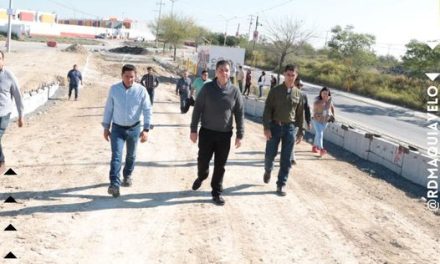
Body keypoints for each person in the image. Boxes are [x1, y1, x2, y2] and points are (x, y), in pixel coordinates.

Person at [190, 60, 244, 206]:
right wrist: (193, 129)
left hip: (225, 135)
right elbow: (197, 109)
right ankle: (202, 176)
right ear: (216, 71)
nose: (224, 73)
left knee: (220, 165)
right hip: (207, 132)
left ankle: (216, 192)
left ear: (230, 72)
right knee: (203, 161)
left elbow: (239, 113)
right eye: (221, 70)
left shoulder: (235, 91)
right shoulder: (207, 88)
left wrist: (240, 134)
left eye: (226, 70)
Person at [102, 64, 152, 198]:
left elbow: (147, 110)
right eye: (126, 76)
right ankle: (114, 184)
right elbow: (108, 109)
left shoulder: (141, 91)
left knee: (131, 155)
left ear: (136, 77)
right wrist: (106, 127)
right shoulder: (114, 89)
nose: (129, 79)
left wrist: (146, 129)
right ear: (121, 76)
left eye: (132, 77)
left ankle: (128, 175)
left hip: (134, 128)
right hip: (117, 128)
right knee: (116, 156)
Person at [262, 64, 304, 196]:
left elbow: (300, 113)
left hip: (290, 129)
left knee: (286, 159)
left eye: (293, 75)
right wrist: (266, 127)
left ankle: (281, 184)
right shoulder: (275, 91)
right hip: (275, 126)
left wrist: (300, 131)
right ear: (284, 75)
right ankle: (268, 170)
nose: (290, 77)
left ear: (296, 76)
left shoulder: (299, 94)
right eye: (288, 75)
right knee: (270, 155)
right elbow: (267, 109)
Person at [0, 51, 24, 173]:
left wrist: (21, 115)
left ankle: (1, 162)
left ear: (3, 60)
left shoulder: (9, 75)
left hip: (3, 114)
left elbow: (18, 96)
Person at [290, 76, 311, 165]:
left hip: (296, 121)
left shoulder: (303, 95)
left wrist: (308, 121)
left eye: (301, 85)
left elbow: (307, 109)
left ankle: (291, 157)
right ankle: (289, 156)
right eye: (297, 84)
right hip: (286, 120)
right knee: (288, 140)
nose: (299, 86)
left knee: (292, 139)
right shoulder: (288, 93)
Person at [312, 86, 335, 157]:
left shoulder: (329, 101)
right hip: (316, 120)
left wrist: (333, 115)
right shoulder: (317, 101)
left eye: (327, 94)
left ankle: (314, 146)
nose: (325, 95)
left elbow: (332, 107)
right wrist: (326, 101)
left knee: (318, 134)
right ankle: (321, 149)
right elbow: (319, 108)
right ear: (321, 93)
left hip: (325, 121)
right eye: (323, 93)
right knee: (320, 133)